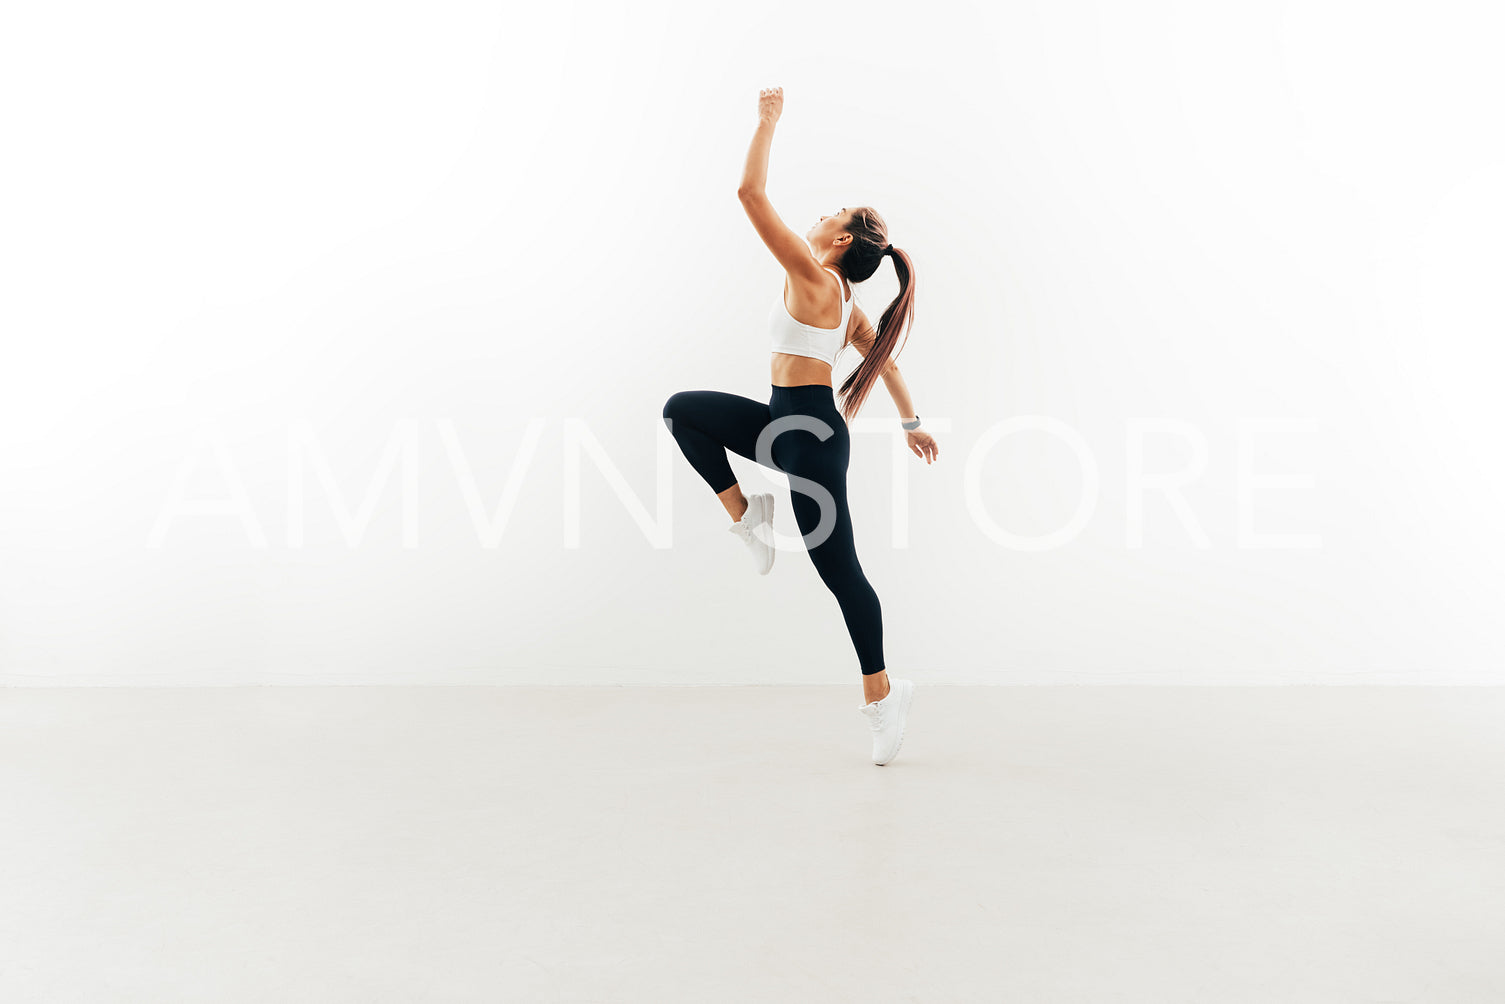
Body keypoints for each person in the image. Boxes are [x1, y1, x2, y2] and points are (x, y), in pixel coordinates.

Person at [661, 87, 940, 765]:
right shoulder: (841, 303)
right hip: (781, 425)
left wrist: (766, 121)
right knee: (683, 411)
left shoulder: (814, 279)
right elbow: (884, 362)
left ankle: (882, 694)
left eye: (829, 215)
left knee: (839, 573)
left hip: (808, 439)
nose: (817, 218)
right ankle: (745, 512)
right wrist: (910, 422)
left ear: (838, 241)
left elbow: (750, 195)